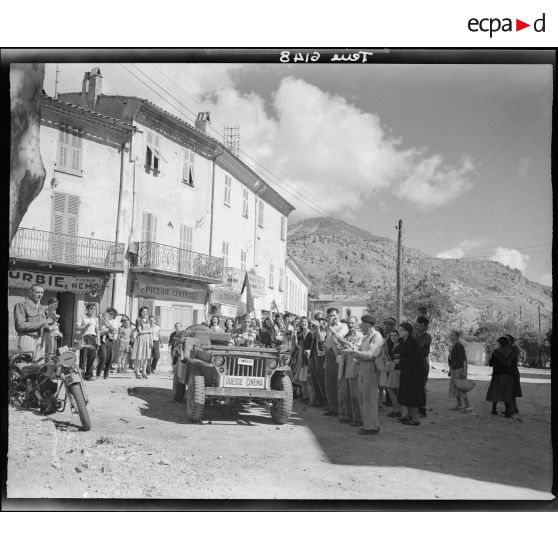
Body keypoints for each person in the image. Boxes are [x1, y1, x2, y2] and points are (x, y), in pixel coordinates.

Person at [345, 314, 384, 435]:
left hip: (371, 370)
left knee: (370, 398)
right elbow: (361, 353)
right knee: (363, 398)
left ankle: (372, 427)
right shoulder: (367, 337)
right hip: (363, 368)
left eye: (362, 323)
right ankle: (367, 425)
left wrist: (354, 352)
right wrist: (352, 352)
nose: (360, 325)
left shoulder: (376, 336)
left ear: (367, 323)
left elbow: (371, 354)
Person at [13, 284, 53, 361]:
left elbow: (43, 324)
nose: (40, 295)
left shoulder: (41, 308)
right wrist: (41, 323)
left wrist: (49, 327)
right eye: (37, 292)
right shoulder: (21, 305)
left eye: (42, 292)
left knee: (39, 366)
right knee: (26, 365)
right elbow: (20, 325)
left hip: (40, 339)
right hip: (27, 337)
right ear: (30, 292)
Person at [337, 315, 364, 427]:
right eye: (348, 322)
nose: (350, 325)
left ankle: (358, 419)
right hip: (344, 367)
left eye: (352, 323)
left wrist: (344, 342)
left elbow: (357, 349)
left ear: (357, 324)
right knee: (345, 394)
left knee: (355, 395)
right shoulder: (346, 335)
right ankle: (348, 416)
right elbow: (340, 348)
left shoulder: (360, 336)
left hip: (354, 368)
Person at [397, 321, 426, 426]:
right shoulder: (404, 341)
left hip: (415, 373)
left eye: (401, 330)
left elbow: (414, 358)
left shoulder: (413, 341)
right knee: (407, 394)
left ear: (407, 331)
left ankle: (415, 419)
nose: (399, 332)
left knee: (413, 395)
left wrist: (400, 361)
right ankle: (409, 416)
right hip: (407, 372)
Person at [323, 307, 348, 417]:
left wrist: (330, 328)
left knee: (338, 382)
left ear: (338, 315)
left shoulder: (343, 326)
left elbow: (339, 338)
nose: (332, 317)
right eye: (330, 316)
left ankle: (341, 409)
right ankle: (332, 408)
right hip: (328, 354)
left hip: (338, 354)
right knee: (329, 383)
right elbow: (326, 343)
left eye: (333, 315)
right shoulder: (329, 327)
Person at [486, 336, 515, 417]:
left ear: (500, 343)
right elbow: (514, 365)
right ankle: (508, 412)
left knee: (496, 391)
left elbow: (491, 364)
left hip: (497, 375)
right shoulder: (512, 353)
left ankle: (494, 410)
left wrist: (489, 359)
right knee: (507, 392)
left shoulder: (496, 352)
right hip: (509, 375)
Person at [447, 330, 472, 412]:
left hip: (459, 369)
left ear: (456, 337)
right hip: (454, 369)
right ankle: (459, 404)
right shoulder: (453, 346)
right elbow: (451, 360)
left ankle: (468, 406)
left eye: (452, 335)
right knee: (455, 387)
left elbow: (463, 359)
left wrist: (464, 371)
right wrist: (450, 370)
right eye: (450, 335)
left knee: (461, 387)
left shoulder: (459, 346)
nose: (450, 336)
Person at [75, 303, 99, 380]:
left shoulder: (95, 318)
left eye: (94, 309)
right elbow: (76, 327)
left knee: (92, 357)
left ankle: (89, 375)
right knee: (83, 357)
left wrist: (98, 341)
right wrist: (84, 326)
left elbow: (97, 330)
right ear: (87, 309)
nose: (93, 310)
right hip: (85, 338)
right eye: (91, 309)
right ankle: (81, 375)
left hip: (93, 338)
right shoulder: (83, 317)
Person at [308, 312, 327, 408]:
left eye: (320, 320)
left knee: (322, 379)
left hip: (321, 356)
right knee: (315, 379)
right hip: (314, 355)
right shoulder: (314, 330)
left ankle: (325, 400)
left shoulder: (324, 329)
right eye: (317, 320)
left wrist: (317, 327)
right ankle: (319, 399)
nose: (318, 322)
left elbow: (320, 339)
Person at [415, 315, 432, 417]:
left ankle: (422, 409)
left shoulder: (427, 337)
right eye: (417, 325)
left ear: (426, 327)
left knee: (421, 388)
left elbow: (419, 348)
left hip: (422, 366)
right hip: (414, 365)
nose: (418, 327)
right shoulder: (416, 335)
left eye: (420, 326)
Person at [97, 307, 119, 379]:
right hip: (103, 339)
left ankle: (106, 375)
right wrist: (106, 331)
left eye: (112, 314)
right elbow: (99, 331)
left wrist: (107, 324)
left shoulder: (114, 321)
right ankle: (98, 373)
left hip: (111, 340)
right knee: (103, 357)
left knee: (109, 358)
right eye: (109, 314)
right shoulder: (101, 321)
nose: (110, 315)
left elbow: (114, 330)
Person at [385, 330, 402, 418]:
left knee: (390, 388)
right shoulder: (391, 345)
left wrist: (390, 360)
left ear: (399, 336)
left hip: (397, 370)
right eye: (391, 335)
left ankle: (396, 410)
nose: (393, 337)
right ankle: (397, 409)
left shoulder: (400, 346)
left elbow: (398, 360)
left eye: (395, 335)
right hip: (393, 369)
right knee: (394, 390)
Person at [131, 306, 152, 379]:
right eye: (144, 311)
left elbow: (150, 331)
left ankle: (144, 372)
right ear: (141, 312)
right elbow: (140, 331)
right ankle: (137, 372)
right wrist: (149, 332)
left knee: (146, 357)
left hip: (147, 339)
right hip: (140, 338)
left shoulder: (148, 320)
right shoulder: (138, 320)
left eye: (146, 311)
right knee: (138, 356)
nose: (145, 313)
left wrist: (151, 340)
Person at [295, 316, 313, 400]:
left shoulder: (311, 333)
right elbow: (299, 345)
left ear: (308, 323)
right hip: (303, 359)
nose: (303, 323)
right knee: (302, 379)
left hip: (309, 359)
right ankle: (305, 396)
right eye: (302, 322)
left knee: (308, 379)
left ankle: (309, 397)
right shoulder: (302, 335)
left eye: (305, 321)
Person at [507, 334, 522, 414]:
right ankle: (514, 408)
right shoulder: (515, 348)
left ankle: (510, 410)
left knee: (510, 391)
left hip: (511, 372)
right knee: (512, 391)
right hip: (514, 371)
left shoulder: (511, 348)